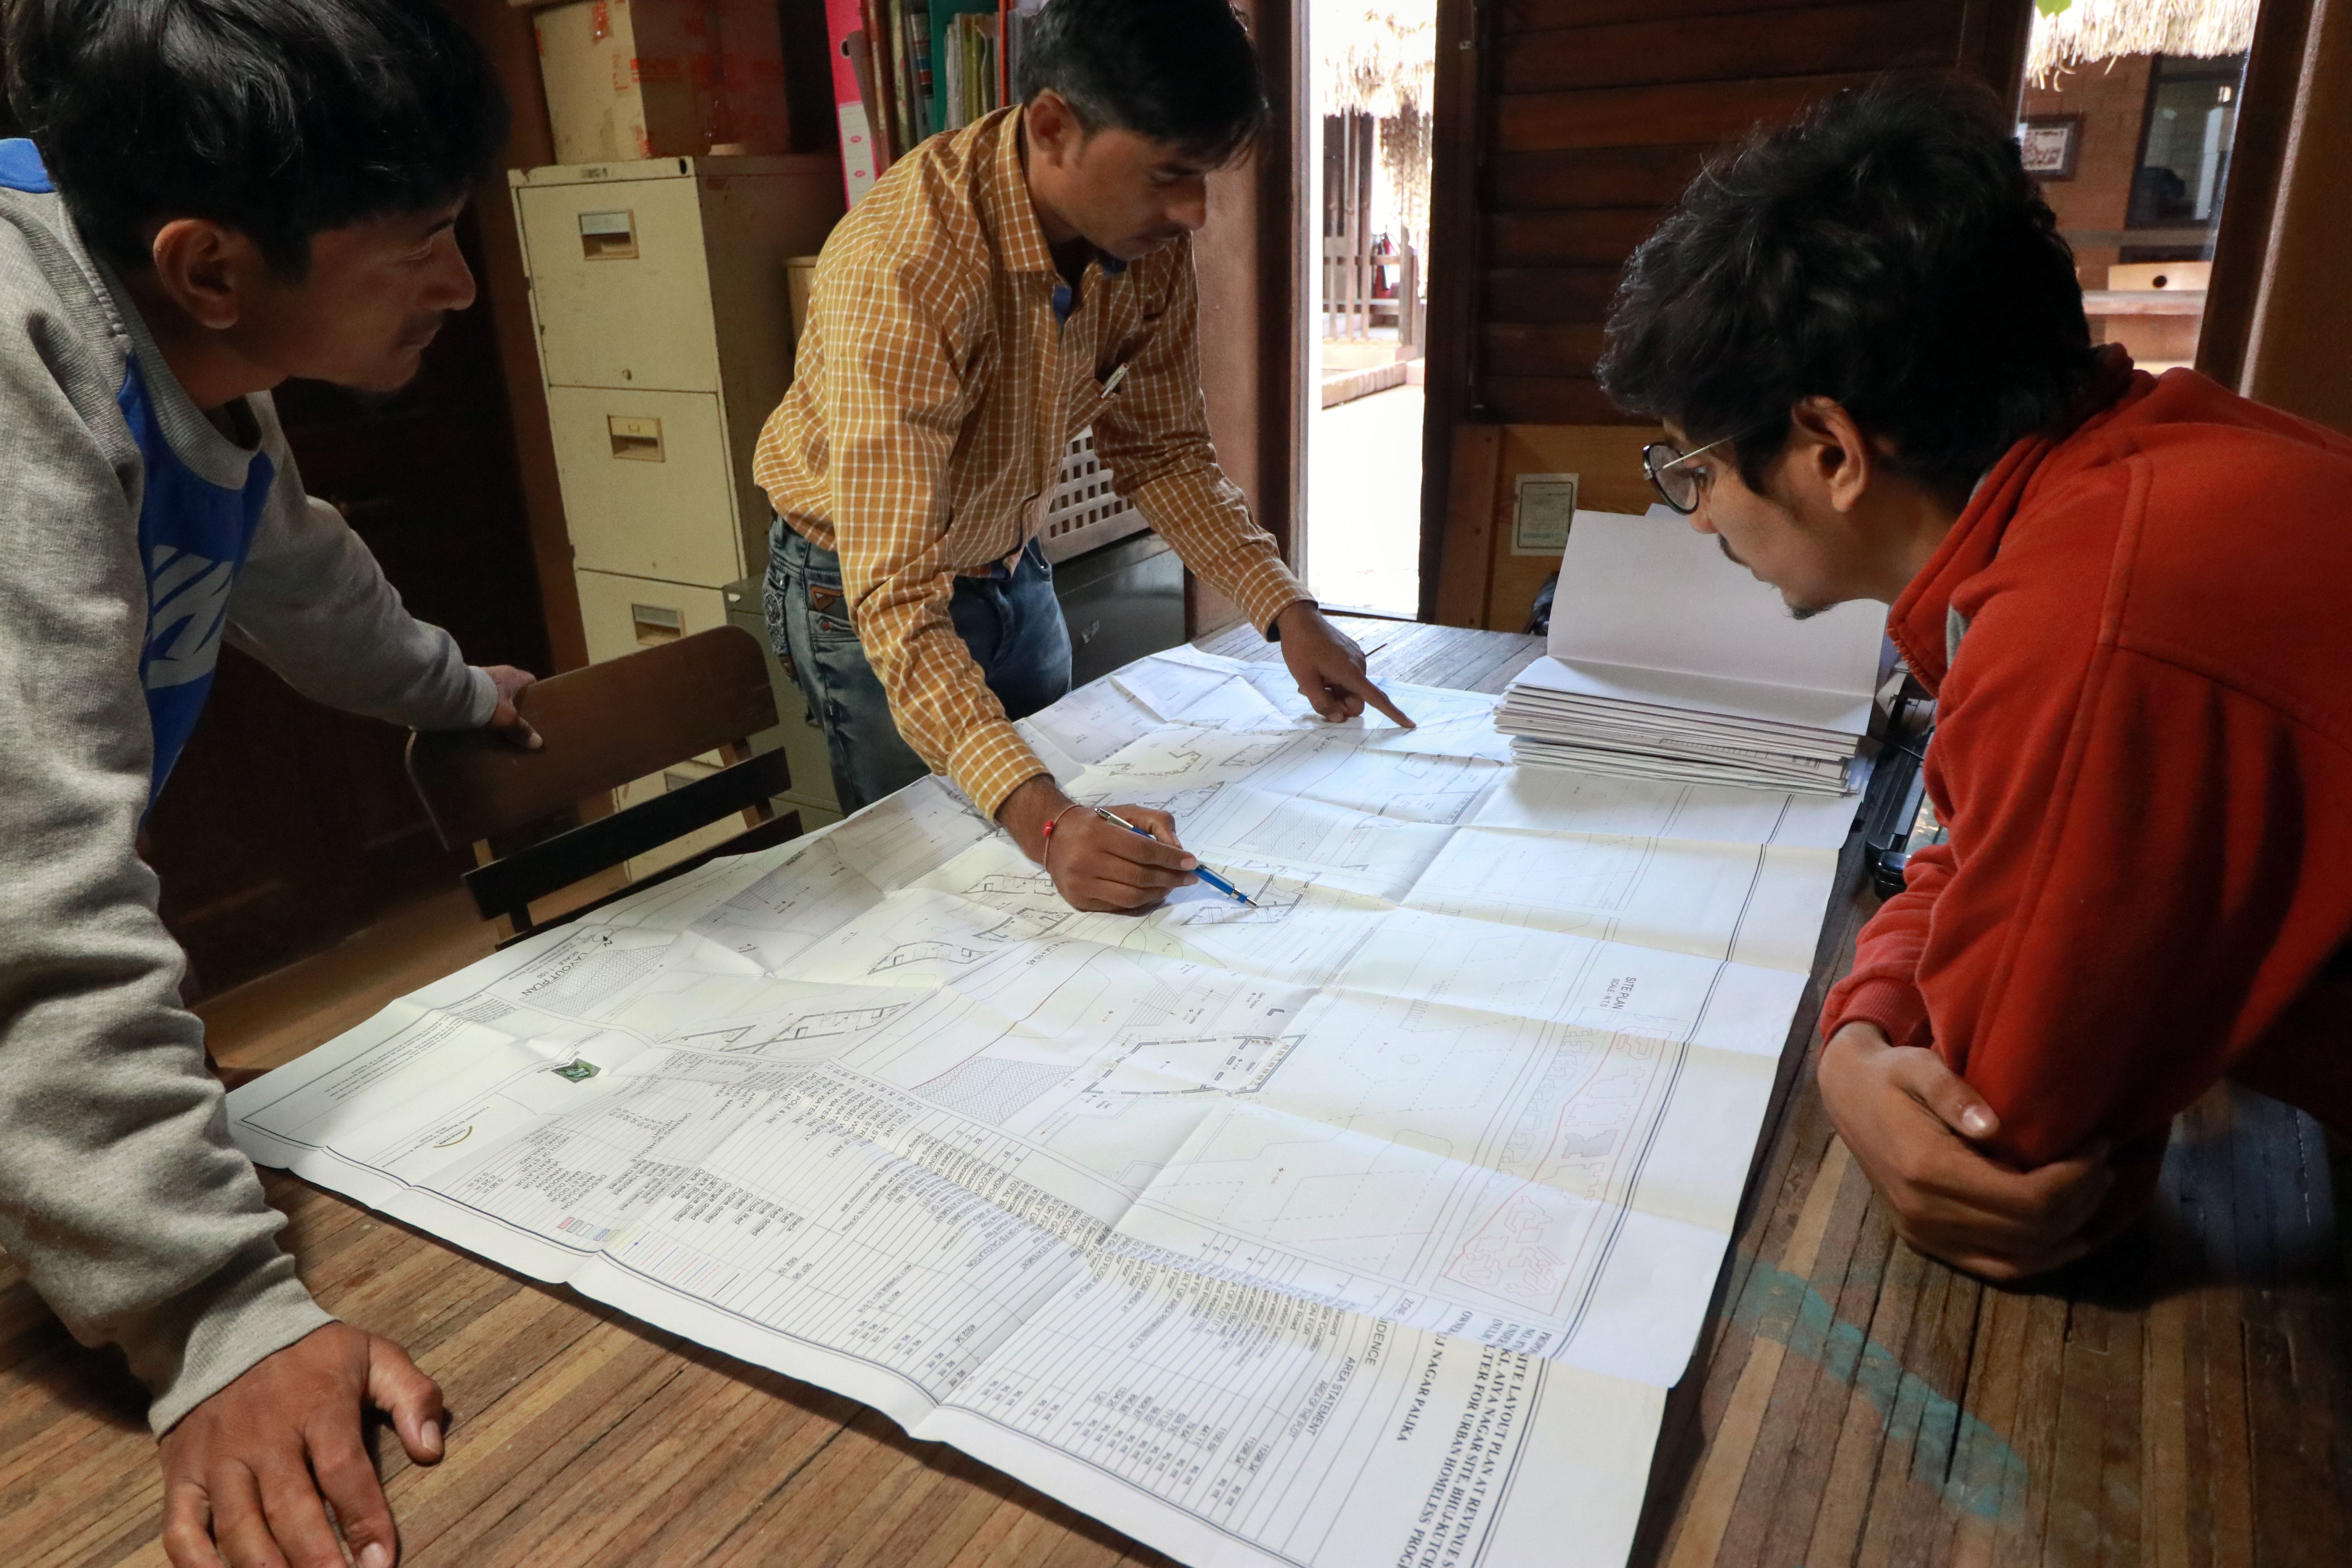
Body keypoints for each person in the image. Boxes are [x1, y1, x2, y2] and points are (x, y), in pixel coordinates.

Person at [1595, 77, 2352, 1280]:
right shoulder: (2148, 465)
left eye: (1691, 473)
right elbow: (1984, 836)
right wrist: (1869, 1014)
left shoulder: (2087, 619)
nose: (1692, 522)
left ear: (1830, 451)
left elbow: (2014, 1146)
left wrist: (1852, 1062)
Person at [0, 2, 540, 1563]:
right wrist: (216, 1305)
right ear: (212, 265)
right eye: (426, 240)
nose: (461, 280)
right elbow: (31, 882)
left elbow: (295, 570)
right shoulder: (26, 353)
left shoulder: (191, 346)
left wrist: (455, 689)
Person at [755, 0, 1409, 911]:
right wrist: (1048, 823)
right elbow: (895, 594)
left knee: (1053, 875)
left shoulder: (1142, 244)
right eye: (1171, 174)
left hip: (1013, 562)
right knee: (941, 890)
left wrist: (1287, 612)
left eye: (1206, 176)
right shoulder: (905, 263)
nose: (1194, 213)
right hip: (861, 589)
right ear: (1055, 127)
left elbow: (1165, 452)